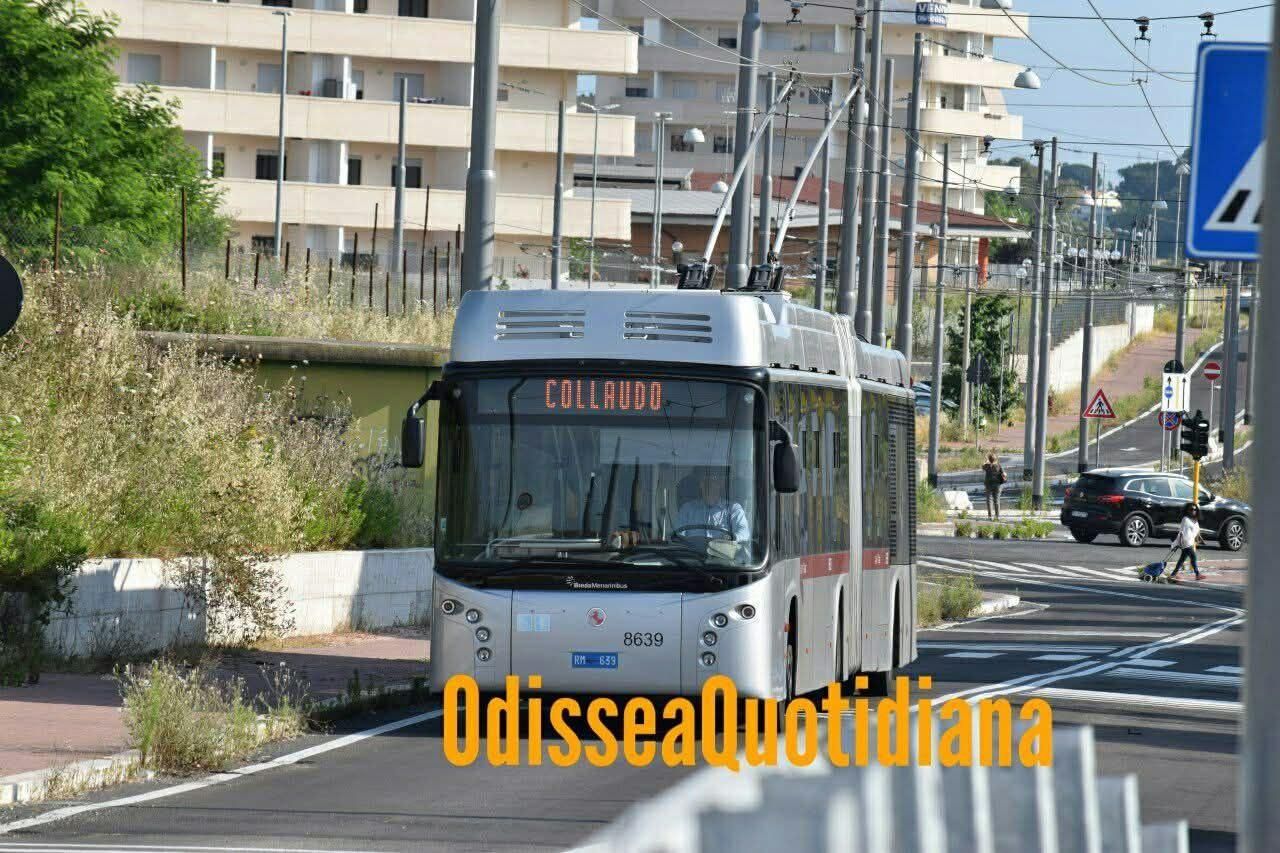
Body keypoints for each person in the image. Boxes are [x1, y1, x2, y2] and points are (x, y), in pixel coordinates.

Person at [675, 467, 750, 545]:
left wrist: (730, 538)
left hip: (723, 552)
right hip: (691, 552)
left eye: (713, 481)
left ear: (720, 485)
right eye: (705, 481)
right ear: (700, 485)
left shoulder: (733, 508)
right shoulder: (687, 509)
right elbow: (678, 536)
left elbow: (744, 533)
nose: (709, 486)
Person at [1169, 503, 1202, 582]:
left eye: (1195, 509)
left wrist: (1199, 538)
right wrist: (1180, 543)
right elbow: (1181, 531)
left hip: (1190, 541)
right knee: (1193, 557)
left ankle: (1173, 574)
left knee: (1182, 559)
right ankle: (1197, 574)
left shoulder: (1195, 520)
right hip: (1186, 542)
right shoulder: (1185, 519)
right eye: (1191, 509)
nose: (1193, 511)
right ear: (1187, 510)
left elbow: (1197, 530)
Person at [982, 453, 1006, 520]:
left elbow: (982, 466)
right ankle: (997, 516)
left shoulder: (987, 466)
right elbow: (1004, 474)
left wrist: (986, 460)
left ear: (989, 459)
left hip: (988, 484)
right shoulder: (998, 465)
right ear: (996, 459)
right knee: (997, 500)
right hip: (997, 485)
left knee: (989, 500)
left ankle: (990, 516)